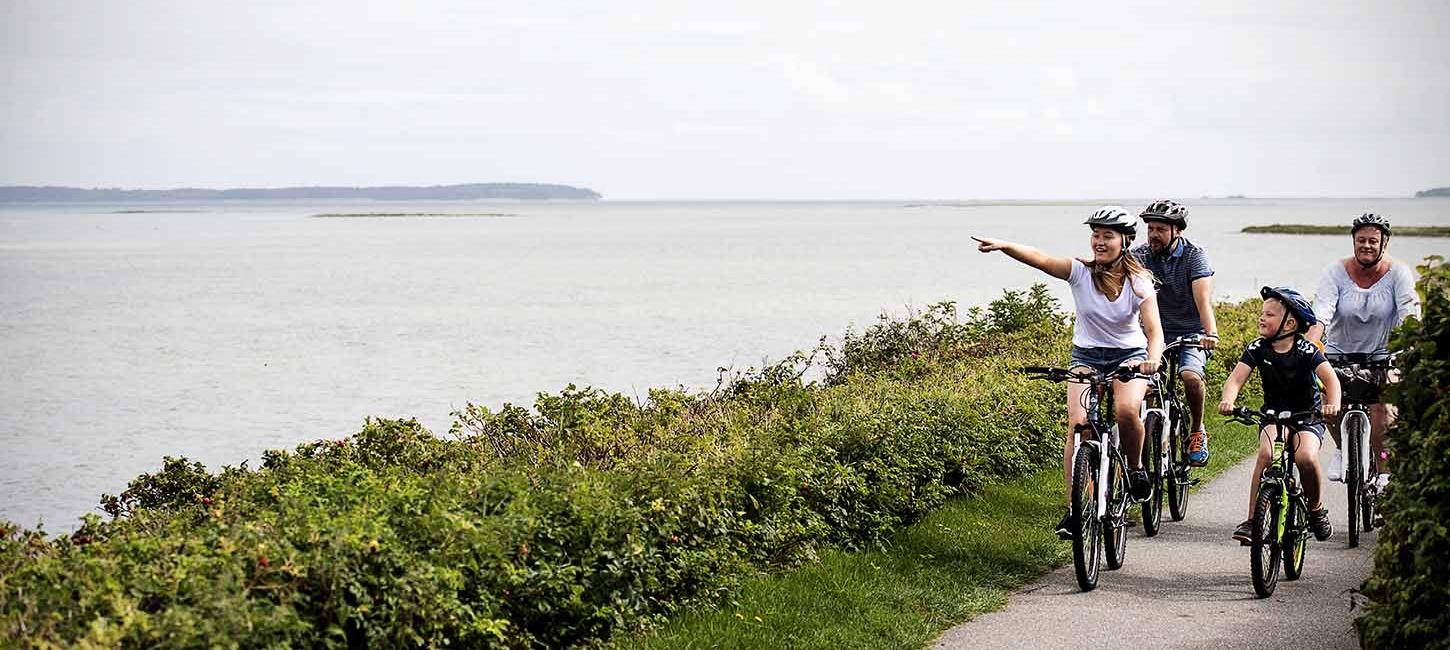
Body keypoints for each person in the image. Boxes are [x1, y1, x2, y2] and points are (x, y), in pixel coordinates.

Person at [975, 206, 1165, 539]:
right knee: (1078, 426)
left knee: (1125, 411)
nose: (1099, 242)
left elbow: (1154, 331)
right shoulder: (1080, 271)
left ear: (1126, 241)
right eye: (1095, 235)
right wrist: (1006, 246)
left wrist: (1152, 360)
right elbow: (1040, 258)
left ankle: (1135, 468)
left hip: (1130, 357)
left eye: (1107, 236)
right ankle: (1075, 512)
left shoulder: (1139, 282)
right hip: (1087, 356)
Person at [1219, 287, 1340, 544]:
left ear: (1290, 323)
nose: (1262, 318)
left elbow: (1330, 379)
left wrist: (1333, 403)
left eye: (1270, 315)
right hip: (1273, 415)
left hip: (1307, 416)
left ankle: (1316, 509)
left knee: (1305, 456)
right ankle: (1252, 520)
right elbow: (1235, 379)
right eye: (1262, 313)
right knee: (1266, 454)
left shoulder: (1306, 350)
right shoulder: (1258, 348)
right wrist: (1228, 400)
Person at [1307, 213, 1419, 487]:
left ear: (1384, 243)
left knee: (1383, 407)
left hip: (1383, 355)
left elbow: (1408, 311)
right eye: (1361, 240)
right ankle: (1342, 449)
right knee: (1330, 400)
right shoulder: (1335, 271)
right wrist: (1309, 344)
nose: (1366, 246)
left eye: (1373, 241)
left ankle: (1383, 471)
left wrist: (1412, 343)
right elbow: (1322, 312)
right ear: (1353, 242)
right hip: (1338, 353)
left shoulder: (1398, 273)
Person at [1132, 199, 1218, 466]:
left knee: (1190, 376)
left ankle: (1197, 430)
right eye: (1150, 229)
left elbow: (1203, 301)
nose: (1153, 235)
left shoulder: (1194, 256)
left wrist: (1210, 333)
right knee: (1145, 386)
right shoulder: (1140, 256)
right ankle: (1152, 436)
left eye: (1160, 229)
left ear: (1177, 231)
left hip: (1191, 332)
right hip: (1154, 334)